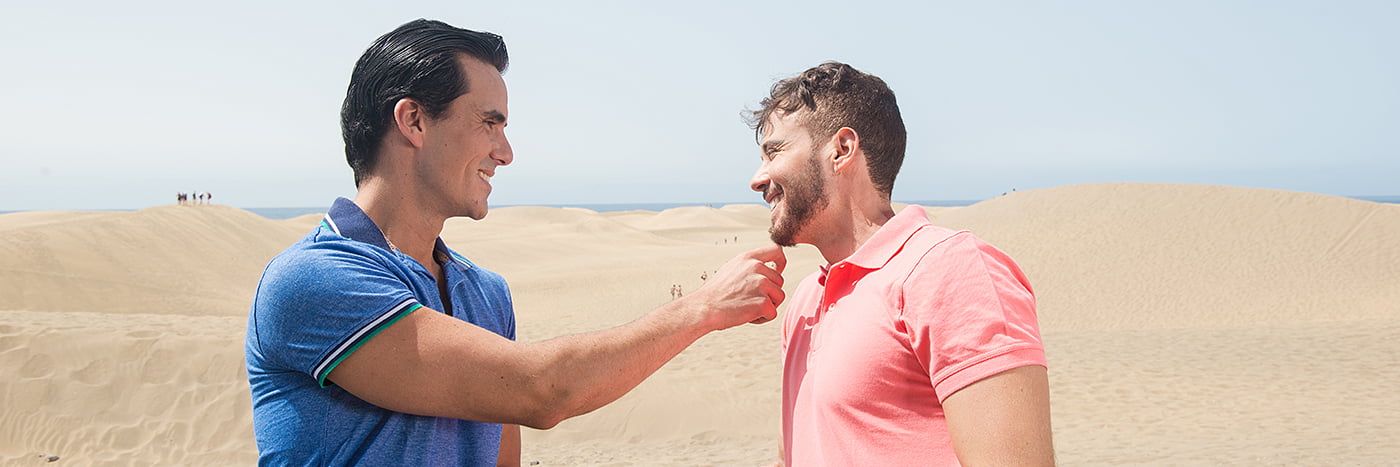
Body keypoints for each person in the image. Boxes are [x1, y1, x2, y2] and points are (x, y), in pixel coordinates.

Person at [245, 19, 786, 466]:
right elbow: (541, 391)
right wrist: (705, 307)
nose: (505, 153)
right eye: (488, 123)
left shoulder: (486, 293)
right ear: (413, 120)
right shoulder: (312, 280)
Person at [745, 62, 1053, 466]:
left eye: (774, 152)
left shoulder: (950, 269)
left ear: (841, 150)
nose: (757, 178)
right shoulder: (804, 301)